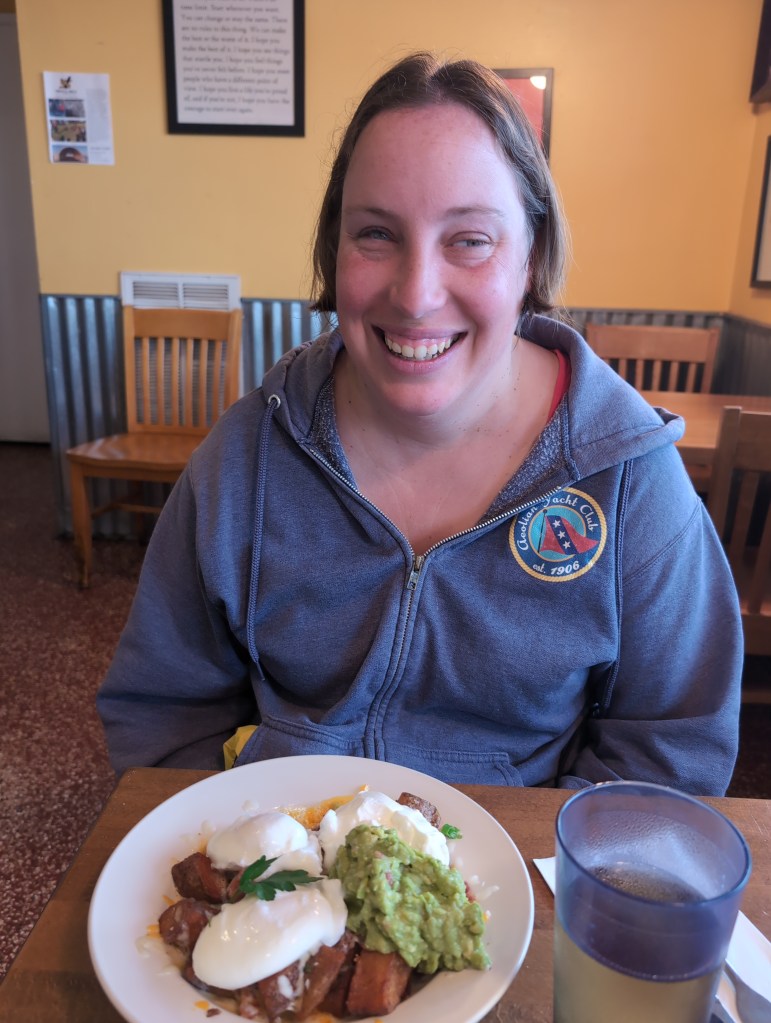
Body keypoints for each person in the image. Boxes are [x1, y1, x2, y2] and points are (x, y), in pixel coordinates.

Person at [97, 52, 742, 793]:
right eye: (376, 234)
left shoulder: (630, 479)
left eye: (469, 240)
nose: (415, 295)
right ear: (333, 248)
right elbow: (164, 716)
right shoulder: (245, 457)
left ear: (530, 255)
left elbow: (668, 754)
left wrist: (529, 863)